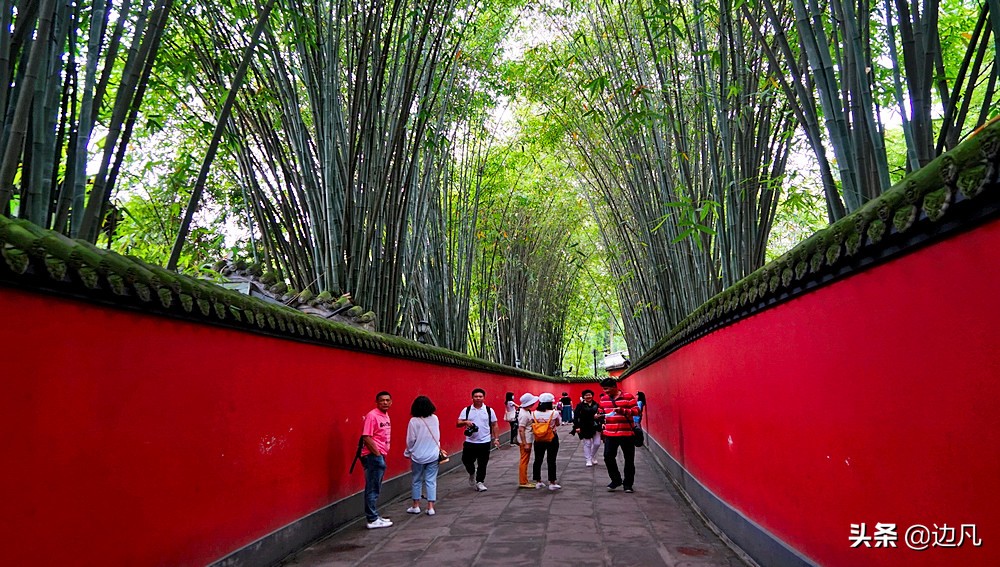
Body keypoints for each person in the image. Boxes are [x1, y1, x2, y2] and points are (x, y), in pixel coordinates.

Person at [597, 377, 639, 493]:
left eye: (607, 389)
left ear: (615, 387)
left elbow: (636, 411)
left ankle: (628, 484)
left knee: (629, 460)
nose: (605, 391)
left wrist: (623, 411)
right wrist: (598, 415)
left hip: (627, 433)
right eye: (604, 389)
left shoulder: (628, 397)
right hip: (610, 433)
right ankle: (616, 480)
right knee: (608, 457)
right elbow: (601, 411)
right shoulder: (604, 399)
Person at [456, 388, 500, 491]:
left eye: (480, 396)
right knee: (466, 460)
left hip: (484, 441)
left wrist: (496, 438)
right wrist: (465, 422)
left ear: (484, 398)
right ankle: (472, 472)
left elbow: (494, 424)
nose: (478, 398)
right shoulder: (466, 410)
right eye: (476, 396)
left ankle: (480, 482)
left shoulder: (489, 410)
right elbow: (458, 423)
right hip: (470, 441)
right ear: (472, 398)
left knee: (483, 463)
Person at [360, 391, 394, 529]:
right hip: (373, 456)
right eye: (382, 400)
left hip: (379, 455)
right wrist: (378, 455)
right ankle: (372, 518)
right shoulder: (372, 416)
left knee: (376, 486)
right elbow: (366, 437)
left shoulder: (385, 415)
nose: (385, 402)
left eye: (387, 400)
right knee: (372, 487)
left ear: (391, 402)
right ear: (377, 402)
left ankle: (374, 515)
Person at [404, 395, 440, 516]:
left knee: (416, 480)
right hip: (433, 454)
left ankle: (416, 505)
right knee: (431, 480)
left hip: (418, 455)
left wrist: (408, 451)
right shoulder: (435, 418)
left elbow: (410, 440)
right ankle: (430, 507)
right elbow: (437, 435)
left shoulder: (413, 421)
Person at [530, 392, 562, 490]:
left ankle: (538, 481)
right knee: (551, 460)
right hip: (551, 437)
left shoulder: (534, 413)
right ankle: (552, 482)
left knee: (538, 459)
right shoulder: (554, 413)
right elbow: (558, 423)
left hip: (538, 438)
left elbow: (532, 423)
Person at [571, 389, 602, 467]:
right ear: (583, 397)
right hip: (584, 426)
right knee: (587, 443)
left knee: (597, 443)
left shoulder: (596, 404)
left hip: (596, 425)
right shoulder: (580, 406)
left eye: (590, 395)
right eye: (586, 395)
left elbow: (601, 413)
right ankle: (588, 459)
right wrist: (576, 427)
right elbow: (576, 417)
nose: (588, 396)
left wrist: (600, 418)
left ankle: (592, 456)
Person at [516, 392, 539, 488]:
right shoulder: (524, 414)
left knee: (524, 460)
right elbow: (521, 429)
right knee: (524, 460)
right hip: (526, 439)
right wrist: (525, 443)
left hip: (526, 438)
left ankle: (524, 480)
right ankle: (523, 481)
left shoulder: (524, 411)